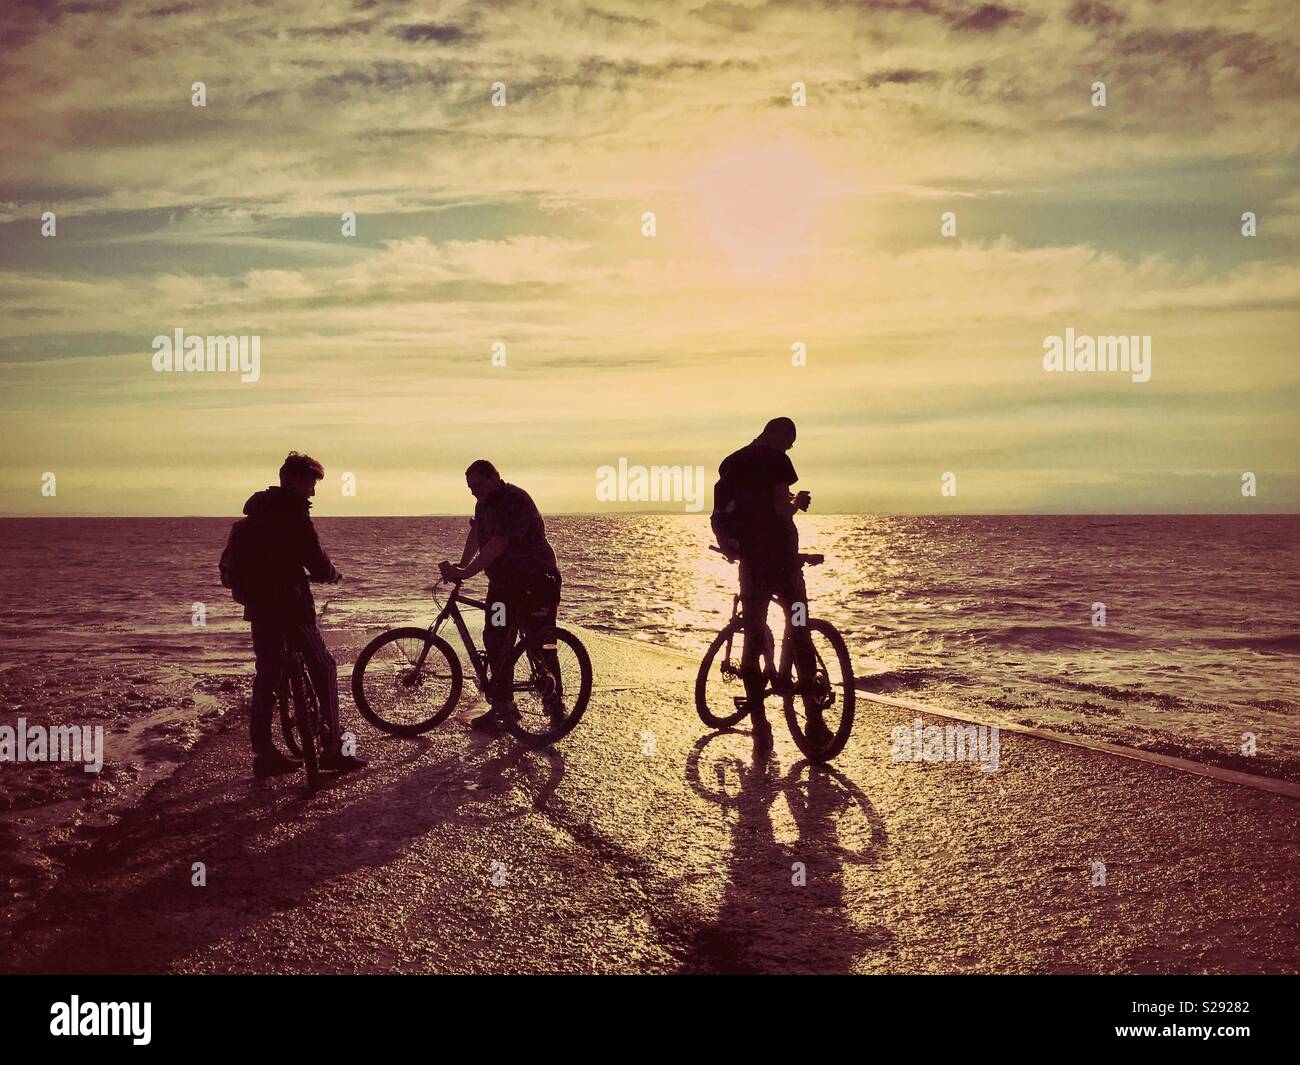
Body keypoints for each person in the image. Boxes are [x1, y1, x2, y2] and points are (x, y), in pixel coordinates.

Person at [234, 452, 368, 778]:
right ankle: (333, 749)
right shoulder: (294, 513)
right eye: (310, 483)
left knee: (267, 678)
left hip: (260, 609)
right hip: (292, 608)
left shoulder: (255, 514)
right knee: (325, 668)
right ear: (292, 480)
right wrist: (331, 573)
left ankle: (264, 752)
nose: (312, 491)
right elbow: (315, 559)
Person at [713, 417, 828, 754]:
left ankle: (760, 723)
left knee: (754, 631)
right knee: (798, 624)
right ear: (780, 436)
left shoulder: (732, 463)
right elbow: (780, 510)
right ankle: (813, 719)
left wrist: (731, 545)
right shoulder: (777, 460)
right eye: (789, 443)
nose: (789, 449)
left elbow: (721, 513)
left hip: (750, 562)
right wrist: (797, 503)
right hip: (781, 561)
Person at [439, 460, 562, 735]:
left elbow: (498, 544)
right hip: (503, 586)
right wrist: (461, 565)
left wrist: (469, 571)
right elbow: (477, 534)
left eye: (478, 486)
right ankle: (503, 707)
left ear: (495, 477)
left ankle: (556, 706)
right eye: (470, 488)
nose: (474, 492)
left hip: (535, 583)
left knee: (542, 643)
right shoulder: (483, 503)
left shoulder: (515, 500)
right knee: (495, 638)